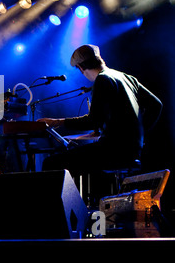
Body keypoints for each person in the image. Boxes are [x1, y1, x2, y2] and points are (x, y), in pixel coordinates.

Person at [37, 44, 162, 175]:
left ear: (81, 67)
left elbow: (92, 121)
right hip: (133, 149)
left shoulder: (103, 79)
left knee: (51, 163)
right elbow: (156, 105)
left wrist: (57, 122)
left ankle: (75, 196)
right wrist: (138, 134)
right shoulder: (125, 77)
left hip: (113, 150)